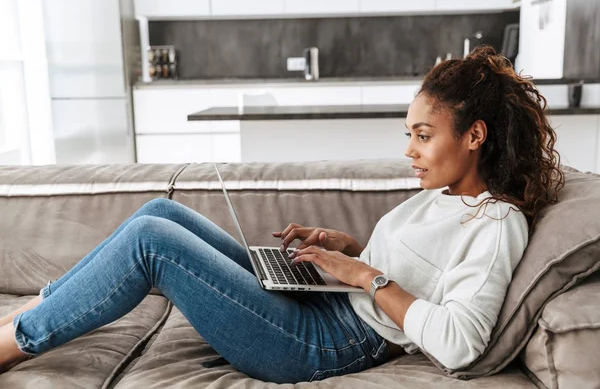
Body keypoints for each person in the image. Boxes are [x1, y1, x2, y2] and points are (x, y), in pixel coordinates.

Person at [0, 46, 564, 383]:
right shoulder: (445, 196)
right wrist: (347, 250)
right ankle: (45, 303)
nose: (410, 150)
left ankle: (16, 339)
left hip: (325, 344)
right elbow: (422, 273)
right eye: (409, 135)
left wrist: (365, 276)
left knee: (152, 239)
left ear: (474, 136)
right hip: (335, 308)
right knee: (158, 210)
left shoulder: (496, 225)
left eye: (423, 135)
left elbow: (460, 339)